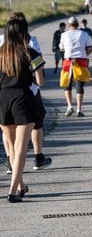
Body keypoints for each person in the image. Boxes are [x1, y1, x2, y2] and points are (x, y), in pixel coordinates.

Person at [0, 17, 45, 202]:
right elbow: (40, 81)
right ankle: (12, 191)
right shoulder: (31, 53)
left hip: (2, 98)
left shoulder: (1, 53)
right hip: (23, 99)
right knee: (20, 148)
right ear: (24, 32)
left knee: (10, 145)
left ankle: (20, 185)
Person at [59, 16, 92, 117]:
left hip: (68, 62)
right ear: (77, 24)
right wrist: (85, 53)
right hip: (80, 61)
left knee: (67, 85)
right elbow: (90, 47)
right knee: (80, 86)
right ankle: (79, 109)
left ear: (69, 25)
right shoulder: (84, 34)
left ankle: (69, 106)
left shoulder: (64, 35)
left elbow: (61, 48)